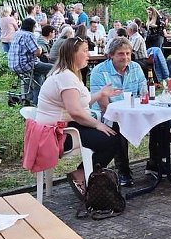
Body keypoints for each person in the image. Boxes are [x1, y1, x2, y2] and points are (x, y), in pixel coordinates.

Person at [34, 37, 121, 168]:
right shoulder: (66, 77)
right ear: (73, 54)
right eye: (85, 51)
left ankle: (88, 176)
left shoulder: (68, 74)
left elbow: (79, 103)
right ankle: (83, 176)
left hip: (63, 128)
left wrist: (101, 94)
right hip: (55, 135)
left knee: (112, 134)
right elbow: (75, 111)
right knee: (111, 141)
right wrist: (97, 124)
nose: (88, 54)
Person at [89, 37, 149, 185]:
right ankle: (123, 171)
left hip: (133, 111)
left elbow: (144, 92)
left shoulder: (135, 67)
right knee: (118, 125)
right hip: (107, 114)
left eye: (128, 53)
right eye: (121, 54)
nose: (126, 57)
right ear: (111, 55)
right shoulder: (99, 71)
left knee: (160, 123)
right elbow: (104, 106)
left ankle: (157, 164)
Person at [8, 18, 54, 105]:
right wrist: (40, 48)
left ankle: (32, 98)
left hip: (12, 64)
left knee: (37, 74)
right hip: (25, 65)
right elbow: (37, 52)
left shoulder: (17, 33)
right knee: (53, 68)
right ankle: (49, 94)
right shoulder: (29, 35)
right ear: (32, 27)